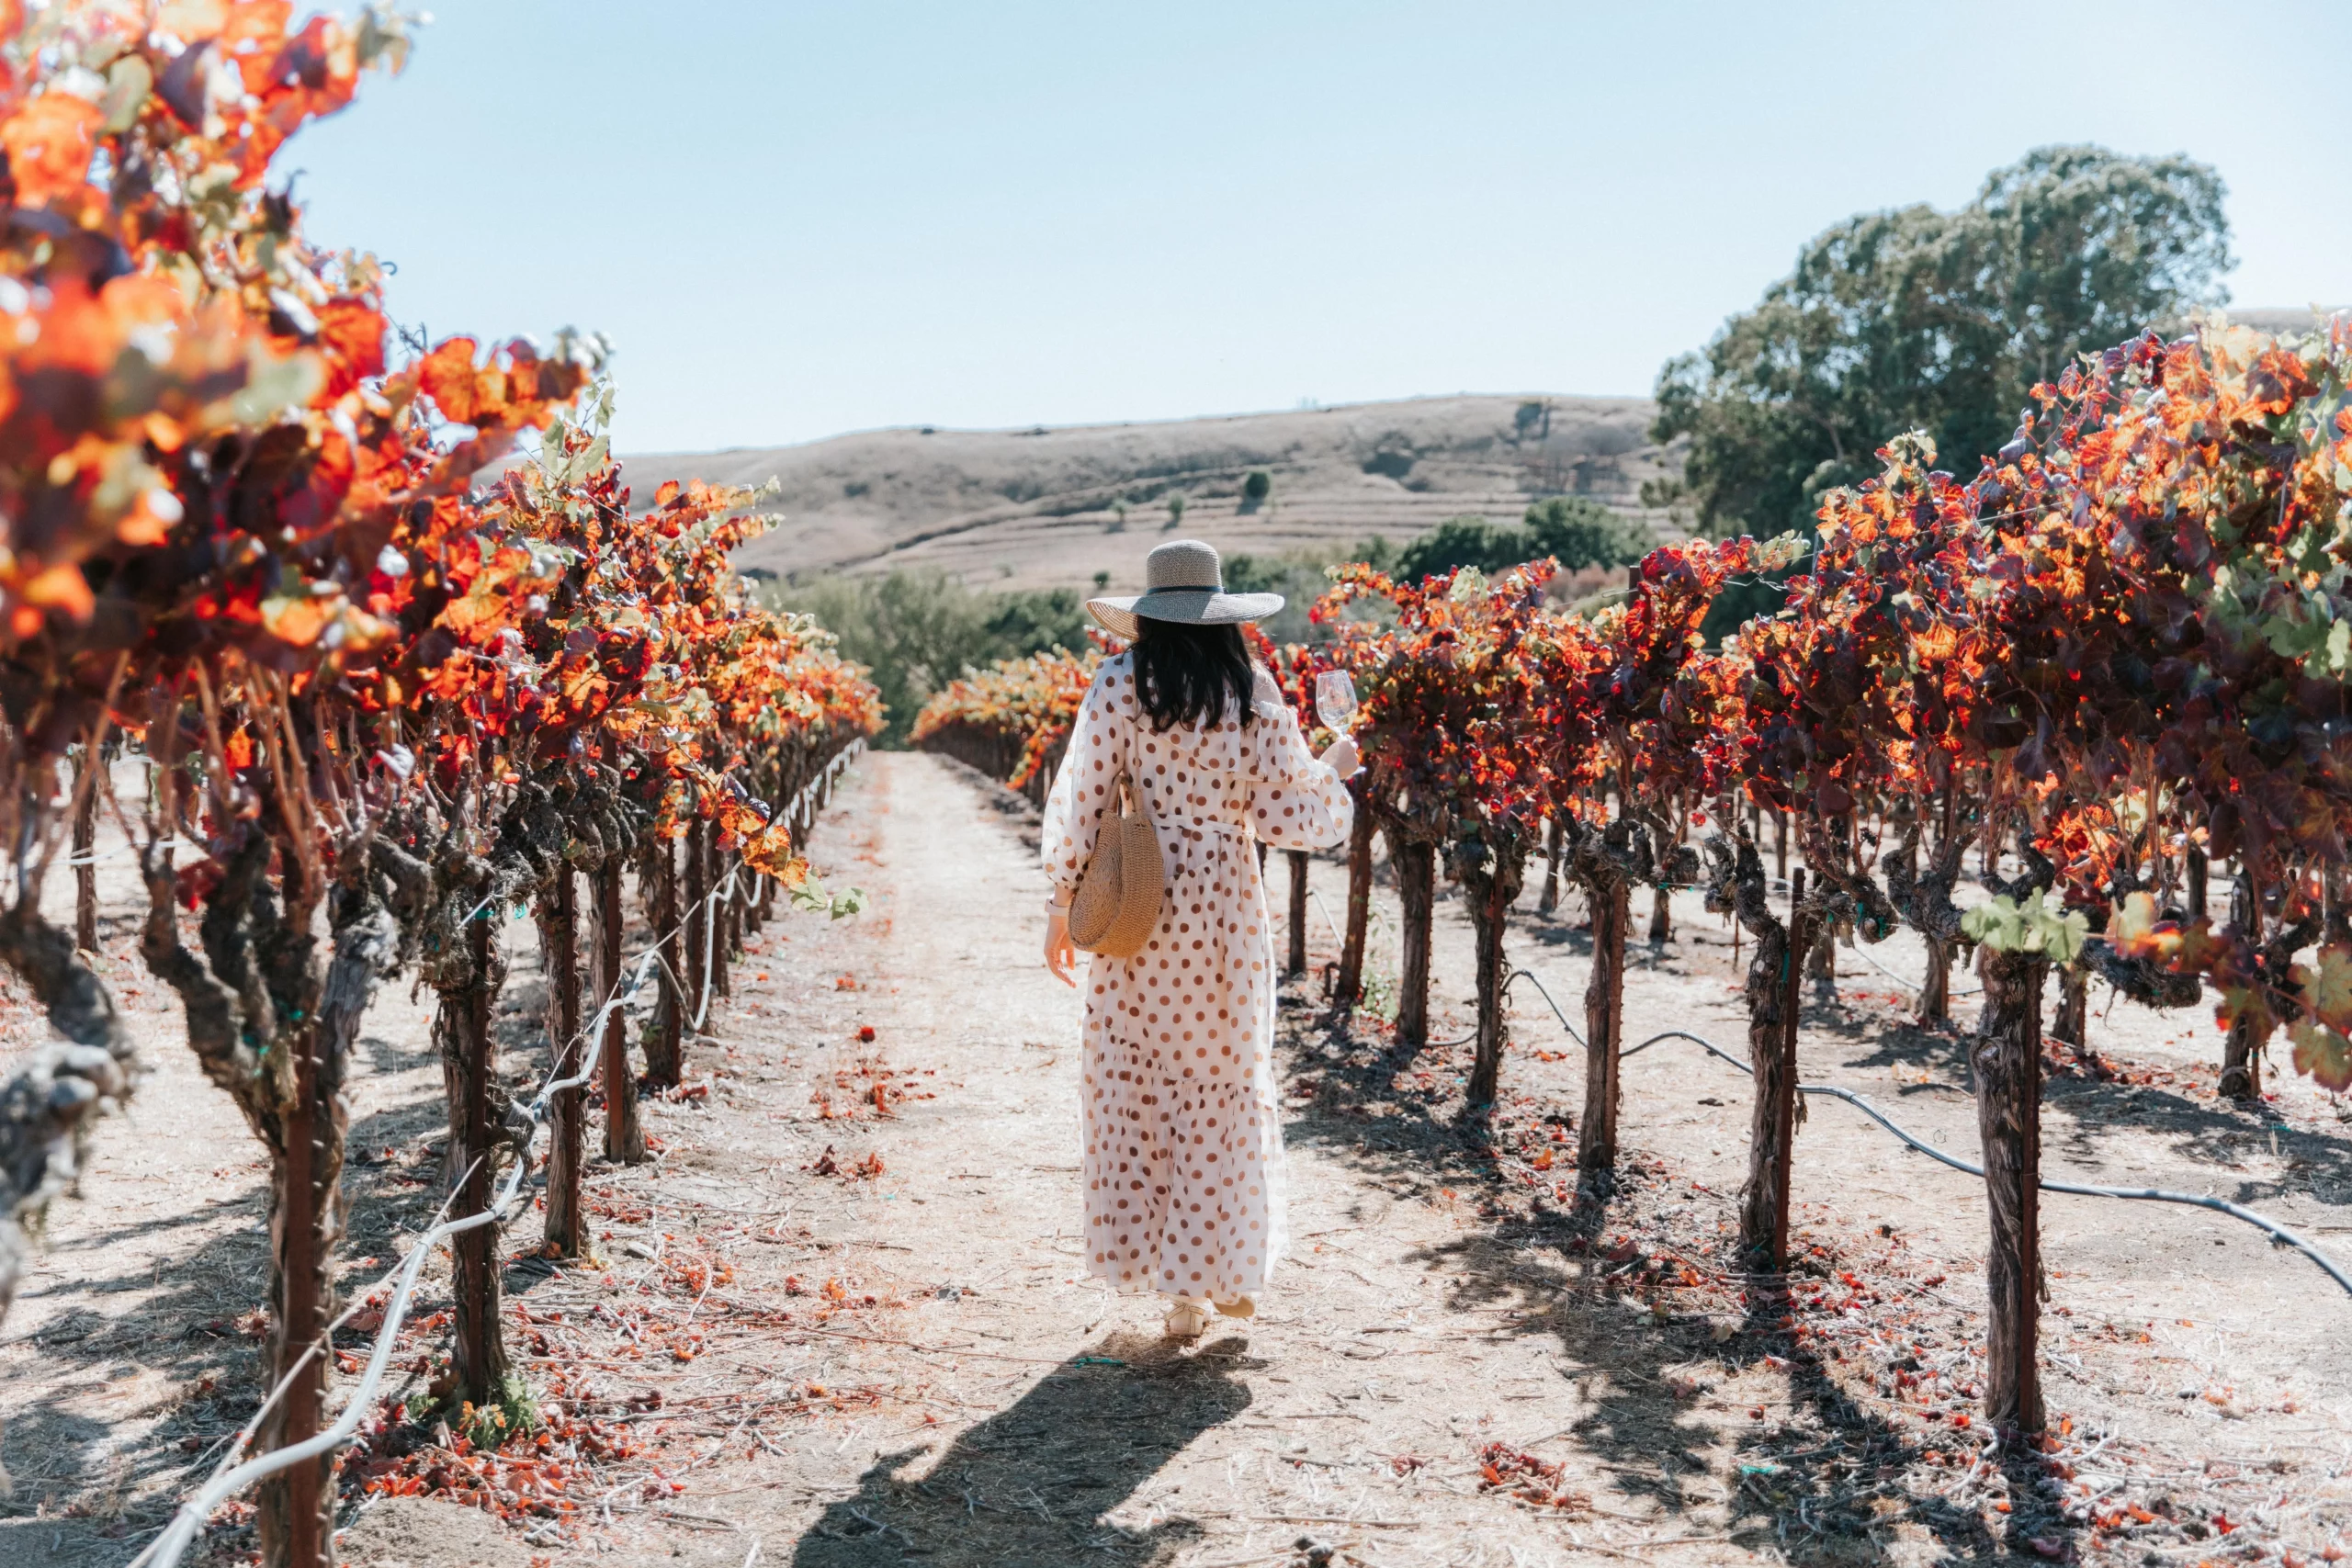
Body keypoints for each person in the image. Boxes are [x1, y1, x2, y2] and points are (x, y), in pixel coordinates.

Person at [1041, 539, 1358, 1341]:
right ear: (1220, 616)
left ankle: (1174, 1289)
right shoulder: (1250, 689)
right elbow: (1292, 814)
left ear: (1149, 614)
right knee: (1220, 1080)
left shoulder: (1117, 684)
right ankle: (1220, 1268)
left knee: (1138, 1081)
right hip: (1223, 906)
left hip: (1139, 904)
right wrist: (1337, 766)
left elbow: (1081, 802)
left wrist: (1061, 906)